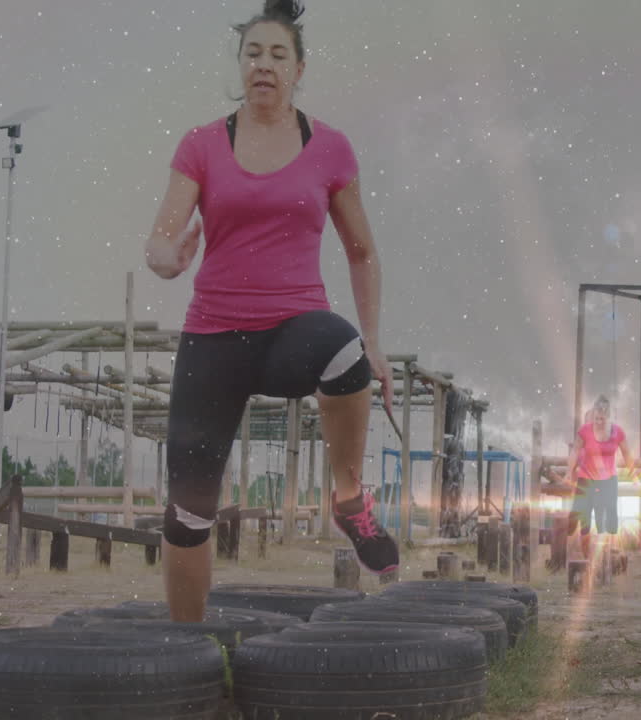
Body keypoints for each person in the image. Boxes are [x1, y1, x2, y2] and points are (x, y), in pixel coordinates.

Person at [144, 0, 398, 623]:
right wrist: (167, 258)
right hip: (213, 337)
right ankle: (188, 651)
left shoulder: (330, 148)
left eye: (277, 54)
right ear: (240, 64)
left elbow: (362, 252)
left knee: (344, 350)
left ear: (299, 68)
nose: (263, 64)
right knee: (187, 515)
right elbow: (159, 240)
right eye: (253, 53)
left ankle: (347, 498)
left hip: (292, 329)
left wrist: (375, 340)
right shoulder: (202, 144)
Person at [564, 396, 635, 560]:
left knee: (608, 514)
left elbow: (627, 453)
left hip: (609, 480)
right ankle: (587, 557)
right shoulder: (585, 430)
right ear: (593, 415)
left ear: (609, 417)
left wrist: (633, 474)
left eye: (602, 419)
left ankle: (608, 552)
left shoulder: (618, 432)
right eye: (596, 418)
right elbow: (575, 451)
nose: (599, 422)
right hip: (586, 477)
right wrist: (569, 471)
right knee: (584, 516)